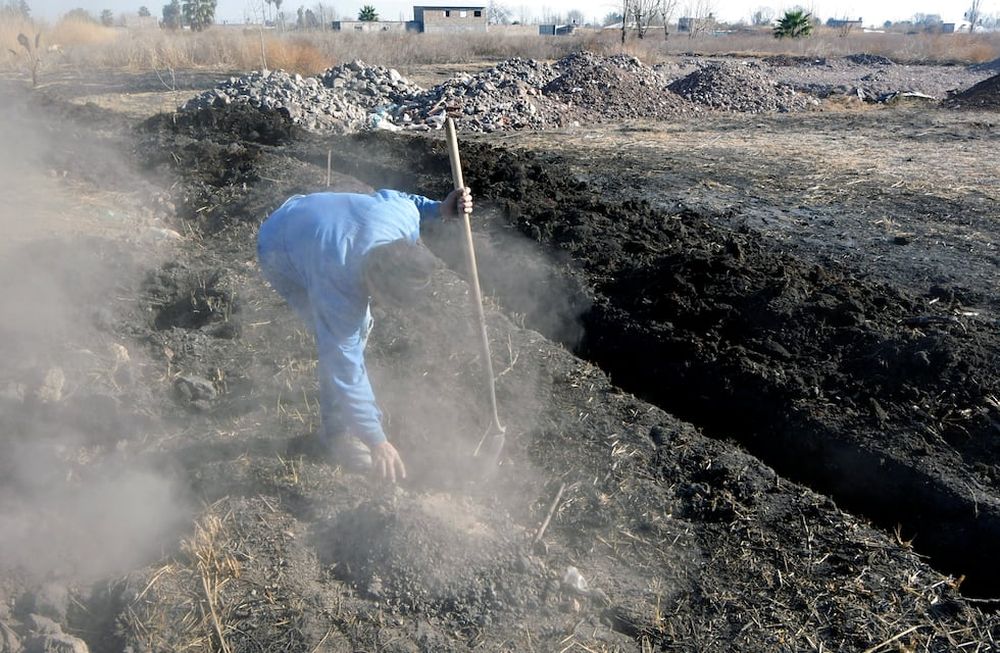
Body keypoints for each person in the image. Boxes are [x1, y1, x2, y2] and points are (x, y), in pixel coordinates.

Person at [257, 187, 473, 483]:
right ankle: (337, 434)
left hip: (311, 215)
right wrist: (376, 440)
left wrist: (440, 209)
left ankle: (354, 412)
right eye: (388, 299)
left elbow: (408, 200)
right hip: (279, 245)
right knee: (341, 341)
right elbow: (344, 365)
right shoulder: (338, 286)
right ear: (374, 283)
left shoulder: (402, 219)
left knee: (359, 328)